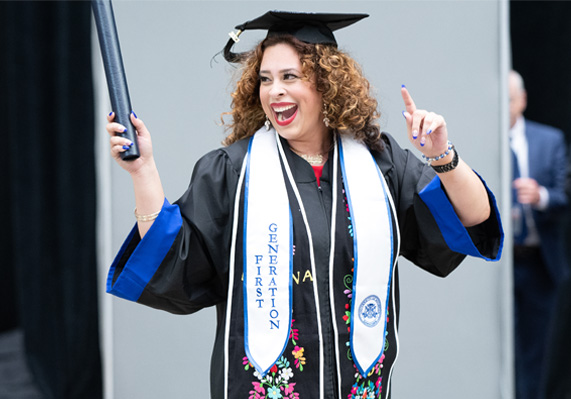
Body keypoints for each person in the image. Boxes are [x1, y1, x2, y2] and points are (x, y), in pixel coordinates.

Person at [105, 11, 503, 399]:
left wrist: (442, 157)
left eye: (289, 77)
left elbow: (471, 221)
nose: (274, 90)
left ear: (326, 84)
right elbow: (175, 261)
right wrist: (144, 172)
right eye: (265, 79)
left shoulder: (380, 163)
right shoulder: (232, 172)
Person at [509, 70, 569, 399]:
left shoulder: (550, 140)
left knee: (536, 352)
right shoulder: (484, 140)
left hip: (538, 262)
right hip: (497, 264)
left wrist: (541, 196)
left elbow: (563, 196)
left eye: (509, 99)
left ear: (523, 100)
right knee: (503, 348)